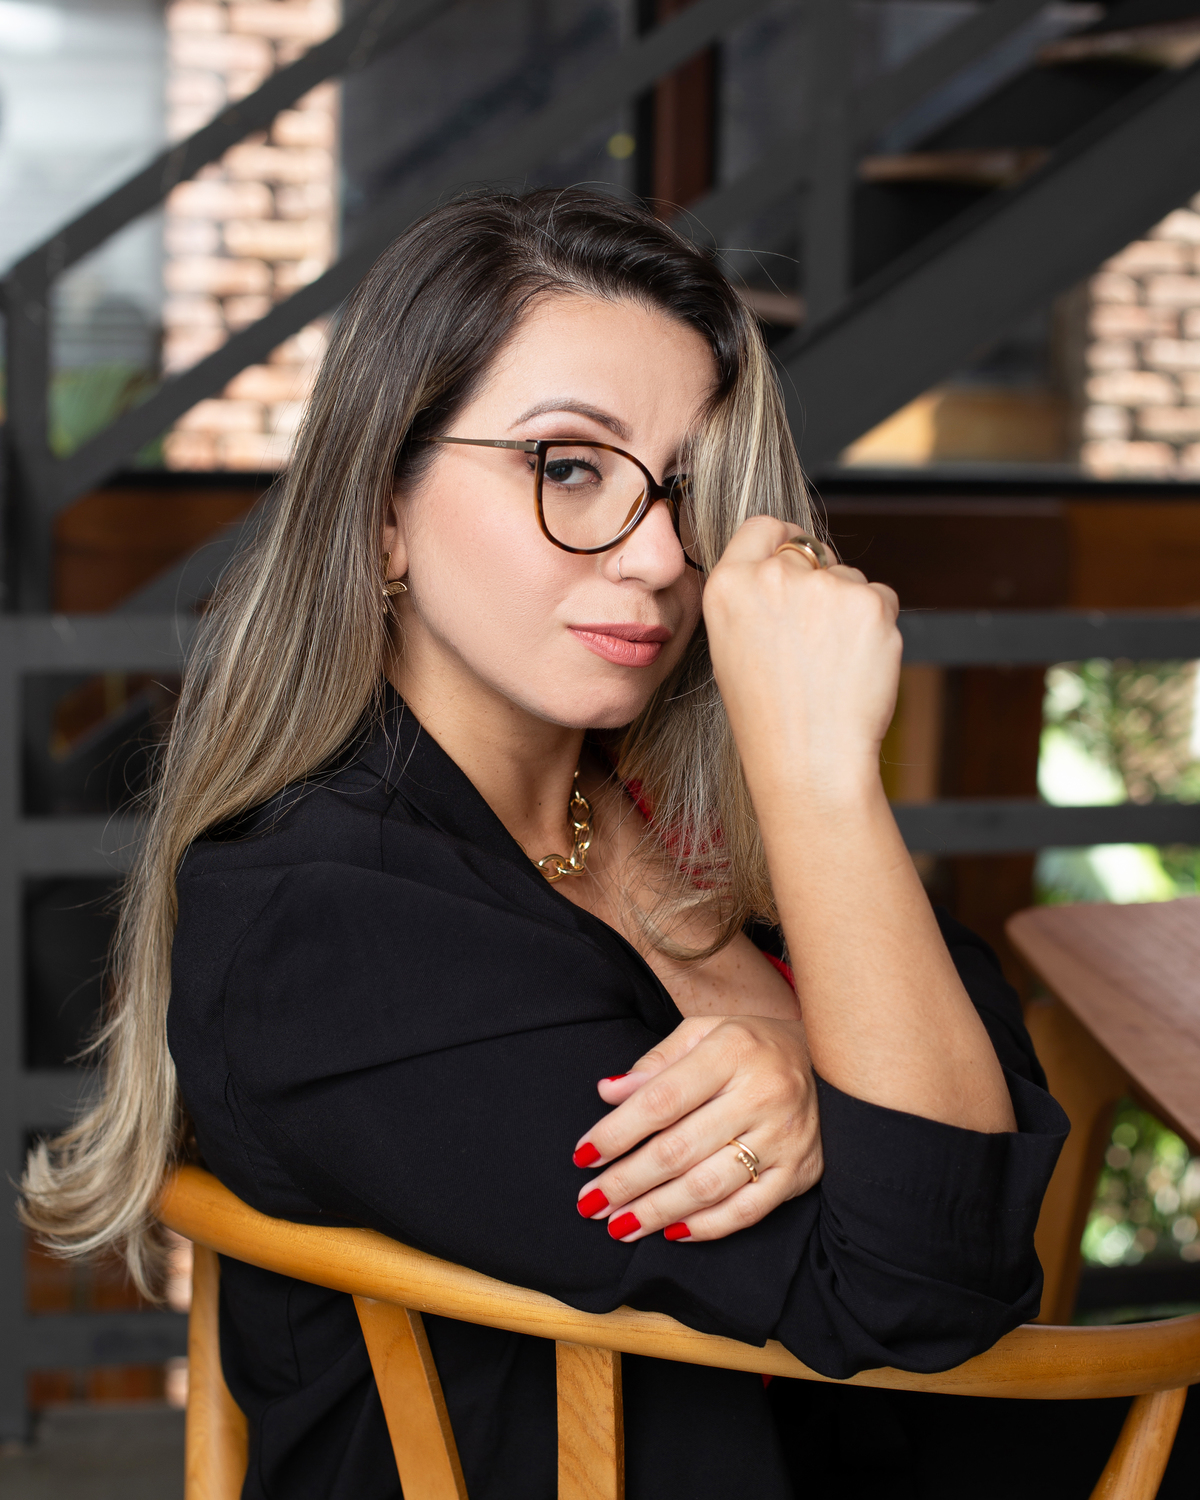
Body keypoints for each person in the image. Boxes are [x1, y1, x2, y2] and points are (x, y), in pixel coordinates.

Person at [22, 188, 1071, 1499]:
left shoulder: (663, 811)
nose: (659, 555)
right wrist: (819, 777)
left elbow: (989, 1078)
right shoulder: (325, 925)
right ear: (383, 511)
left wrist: (809, 1065)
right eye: (569, 466)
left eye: (689, 488)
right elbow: (931, 1277)